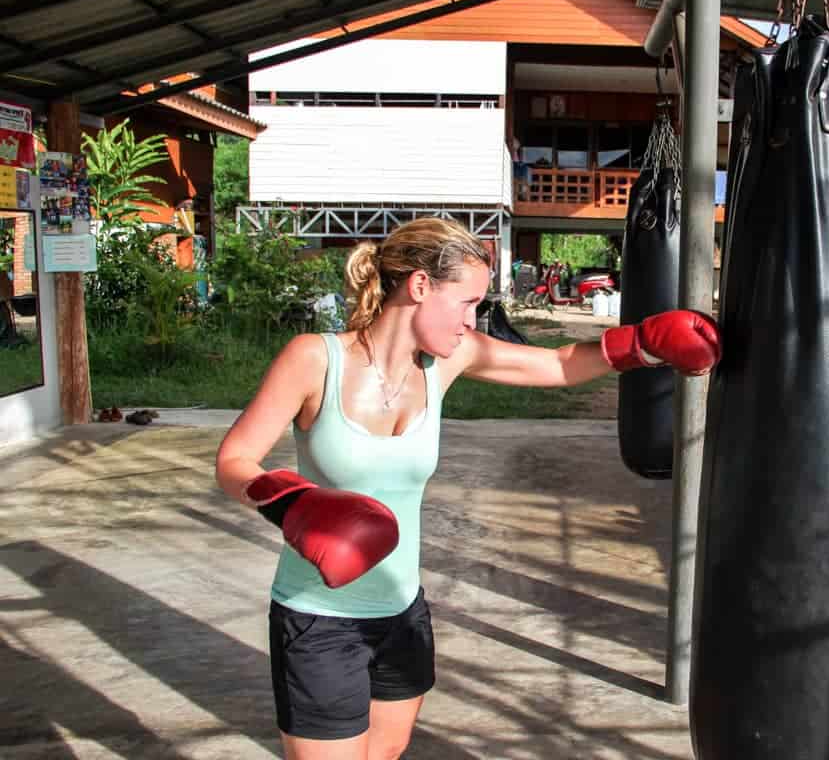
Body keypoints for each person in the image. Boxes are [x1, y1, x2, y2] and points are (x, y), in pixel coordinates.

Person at [214, 217, 720, 760]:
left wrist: (644, 344)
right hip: (318, 617)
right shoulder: (316, 359)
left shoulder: (449, 358)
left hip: (401, 610)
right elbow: (235, 459)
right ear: (420, 286)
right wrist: (293, 501)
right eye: (466, 301)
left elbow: (557, 365)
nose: (471, 319)